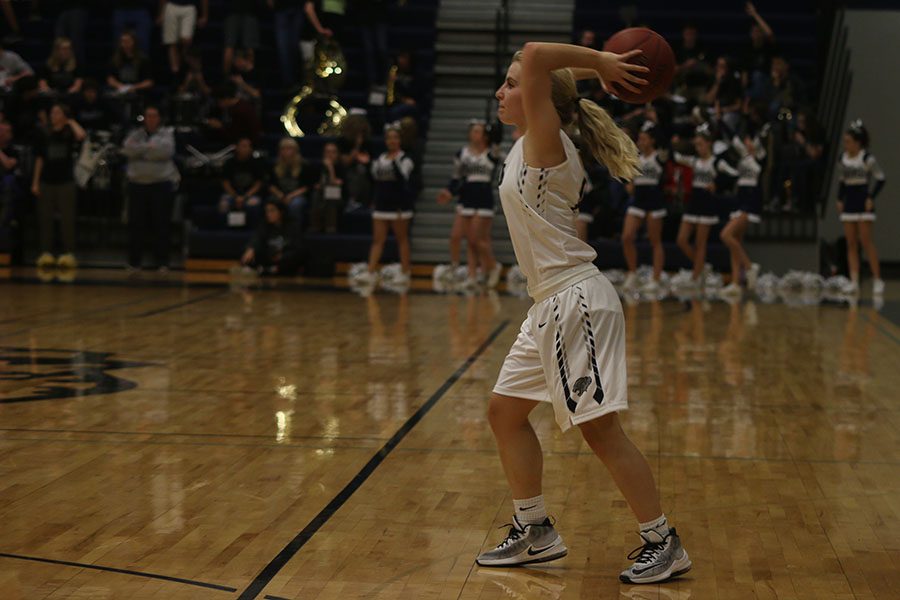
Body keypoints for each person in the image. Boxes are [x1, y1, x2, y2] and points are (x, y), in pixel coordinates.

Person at [480, 42, 691, 584]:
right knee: (504, 411)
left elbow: (534, 56)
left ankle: (662, 540)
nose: (501, 92)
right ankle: (535, 529)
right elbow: (547, 74)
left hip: (574, 301)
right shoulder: (531, 137)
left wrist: (600, 64)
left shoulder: (545, 143)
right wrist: (592, 73)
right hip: (548, 302)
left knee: (601, 431)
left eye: (511, 84)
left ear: (533, 96)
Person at [436, 120, 502, 289]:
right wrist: (449, 192)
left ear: (485, 135)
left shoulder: (491, 153)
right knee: (461, 237)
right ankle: (472, 275)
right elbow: (456, 179)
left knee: (477, 239)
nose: (475, 134)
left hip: (483, 198)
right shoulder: (461, 154)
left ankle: (493, 267)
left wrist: (495, 126)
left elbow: (498, 138)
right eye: (473, 131)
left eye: (479, 131)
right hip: (466, 198)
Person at [674, 124, 738, 289]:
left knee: (700, 243)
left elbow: (734, 174)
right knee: (681, 240)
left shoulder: (717, 162)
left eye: (700, 144)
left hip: (707, 203)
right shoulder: (694, 161)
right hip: (694, 202)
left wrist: (717, 184)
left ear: (709, 143)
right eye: (696, 145)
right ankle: (701, 266)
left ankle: (696, 277)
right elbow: (675, 157)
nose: (698, 147)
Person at [121, 105, 180, 271]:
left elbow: (166, 152)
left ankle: (162, 262)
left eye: (154, 116)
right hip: (137, 185)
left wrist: (140, 152)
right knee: (136, 225)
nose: (151, 119)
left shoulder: (167, 134)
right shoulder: (135, 134)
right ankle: (134, 262)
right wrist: (149, 150)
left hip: (160, 185)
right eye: (148, 116)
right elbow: (127, 149)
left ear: (159, 118)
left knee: (161, 224)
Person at [356, 124, 414, 288]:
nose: (392, 141)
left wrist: (394, 161)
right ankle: (370, 271)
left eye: (395, 138)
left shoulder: (405, 159)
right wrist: (367, 165)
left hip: (399, 206)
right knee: (377, 240)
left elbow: (403, 179)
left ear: (400, 140)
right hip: (381, 204)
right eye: (389, 138)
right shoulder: (380, 159)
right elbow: (374, 180)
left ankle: (405, 272)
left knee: (401, 239)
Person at [31, 103, 86, 269]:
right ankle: (45, 253)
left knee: (67, 220)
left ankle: (68, 253)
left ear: (64, 115)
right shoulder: (43, 133)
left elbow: (81, 136)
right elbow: (39, 159)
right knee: (45, 218)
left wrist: (71, 121)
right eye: (52, 112)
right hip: (47, 181)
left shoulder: (69, 132)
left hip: (66, 181)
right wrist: (35, 182)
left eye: (57, 112)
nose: (53, 115)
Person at [836, 120, 885, 296]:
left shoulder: (867, 158)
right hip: (849, 203)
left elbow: (881, 178)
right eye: (845, 141)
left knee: (866, 241)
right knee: (851, 243)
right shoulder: (842, 159)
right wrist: (839, 199)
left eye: (848, 141)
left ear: (858, 142)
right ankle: (854, 281)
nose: (846, 144)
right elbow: (842, 181)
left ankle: (877, 279)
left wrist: (871, 197)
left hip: (863, 203)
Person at [622, 122, 667, 294]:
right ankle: (633, 273)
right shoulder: (637, 158)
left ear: (652, 141)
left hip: (654, 200)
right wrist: (630, 184)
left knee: (655, 241)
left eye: (643, 139)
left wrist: (655, 120)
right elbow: (630, 180)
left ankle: (656, 278)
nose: (640, 141)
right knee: (627, 237)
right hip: (638, 200)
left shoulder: (659, 156)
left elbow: (666, 142)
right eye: (639, 139)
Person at [719, 134, 765, 297]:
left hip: (751, 202)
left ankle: (750, 267)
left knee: (726, 235)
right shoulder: (742, 161)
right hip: (740, 201)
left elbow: (733, 136)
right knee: (735, 241)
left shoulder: (759, 158)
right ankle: (736, 283)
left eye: (749, 141)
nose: (746, 143)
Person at [241, 201, 302, 275]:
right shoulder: (264, 224)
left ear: (281, 212)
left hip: (285, 258)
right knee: (251, 251)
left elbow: (297, 247)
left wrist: (283, 255)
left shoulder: (292, 225)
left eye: (272, 211)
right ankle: (266, 269)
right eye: (267, 211)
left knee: (295, 256)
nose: (269, 214)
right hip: (271, 257)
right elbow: (257, 238)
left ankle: (268, 269)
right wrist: (251, 248)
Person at [268, 136, 316, 224]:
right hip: (279, 195)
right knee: (271, 203)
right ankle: (273, 231)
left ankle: (294, 231)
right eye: (283, 149)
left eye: (289, 148)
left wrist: (291, 196)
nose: (286, 151)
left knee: (295, 204)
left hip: (297, 196)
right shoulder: (275, 165)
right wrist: (281, 196)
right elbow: (270, 185)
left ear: (296, 150)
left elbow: (307, 186)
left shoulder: (304, 165)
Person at [219, 136, 265, 228]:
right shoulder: (230, 163)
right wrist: (236, 196)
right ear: (237, 147)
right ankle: (224, 231)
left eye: (248, 146)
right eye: (243, 146)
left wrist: (245, 197)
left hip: (250, 194)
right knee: (224, 204)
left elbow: (258, 183)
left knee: (253, 204)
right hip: (233, 193)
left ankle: (252, 231)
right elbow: (225, 182)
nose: (246, 148)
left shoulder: (256, 163)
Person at [159, 0, 209, 75]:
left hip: (189, 6)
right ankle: (175, 72)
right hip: (172, 6)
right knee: (171, 42)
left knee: (186, 40)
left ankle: (184, 68)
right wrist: (161, 14)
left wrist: (205, 15)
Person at [309, 141, 345, 233]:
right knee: (316, 195)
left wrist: (330, 168)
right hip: (320, 196)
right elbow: (316, 185)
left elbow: (335, 184)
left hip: (338, 198)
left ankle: (331, 228)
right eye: (328, 152)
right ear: (324, 153)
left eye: (333, 152)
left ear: (337, 154)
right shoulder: (318, 166)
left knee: (331, 193)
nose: (330, 155)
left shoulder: (341, 167)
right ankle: (315, 227)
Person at [268, 0, 305, 87]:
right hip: (282, 8)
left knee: (294, 46)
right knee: (283, 48)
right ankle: (289, 82)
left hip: (297, 7)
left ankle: (295, 80)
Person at [107, 30, 154, 97]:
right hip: (120, 92)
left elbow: (149, 82)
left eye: (128, 41)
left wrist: (133, 87)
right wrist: (121, 86)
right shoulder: (114, 59)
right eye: (123, 41)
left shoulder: (143, 60)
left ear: (134, 42)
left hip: (138, 93)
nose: (125, 44)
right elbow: (110, 79)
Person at [223, 0, 261, 75]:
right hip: (242, 10)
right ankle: (228, 80)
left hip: (242, 10)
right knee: (231, 47)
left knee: (231, 47)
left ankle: (229, 80)